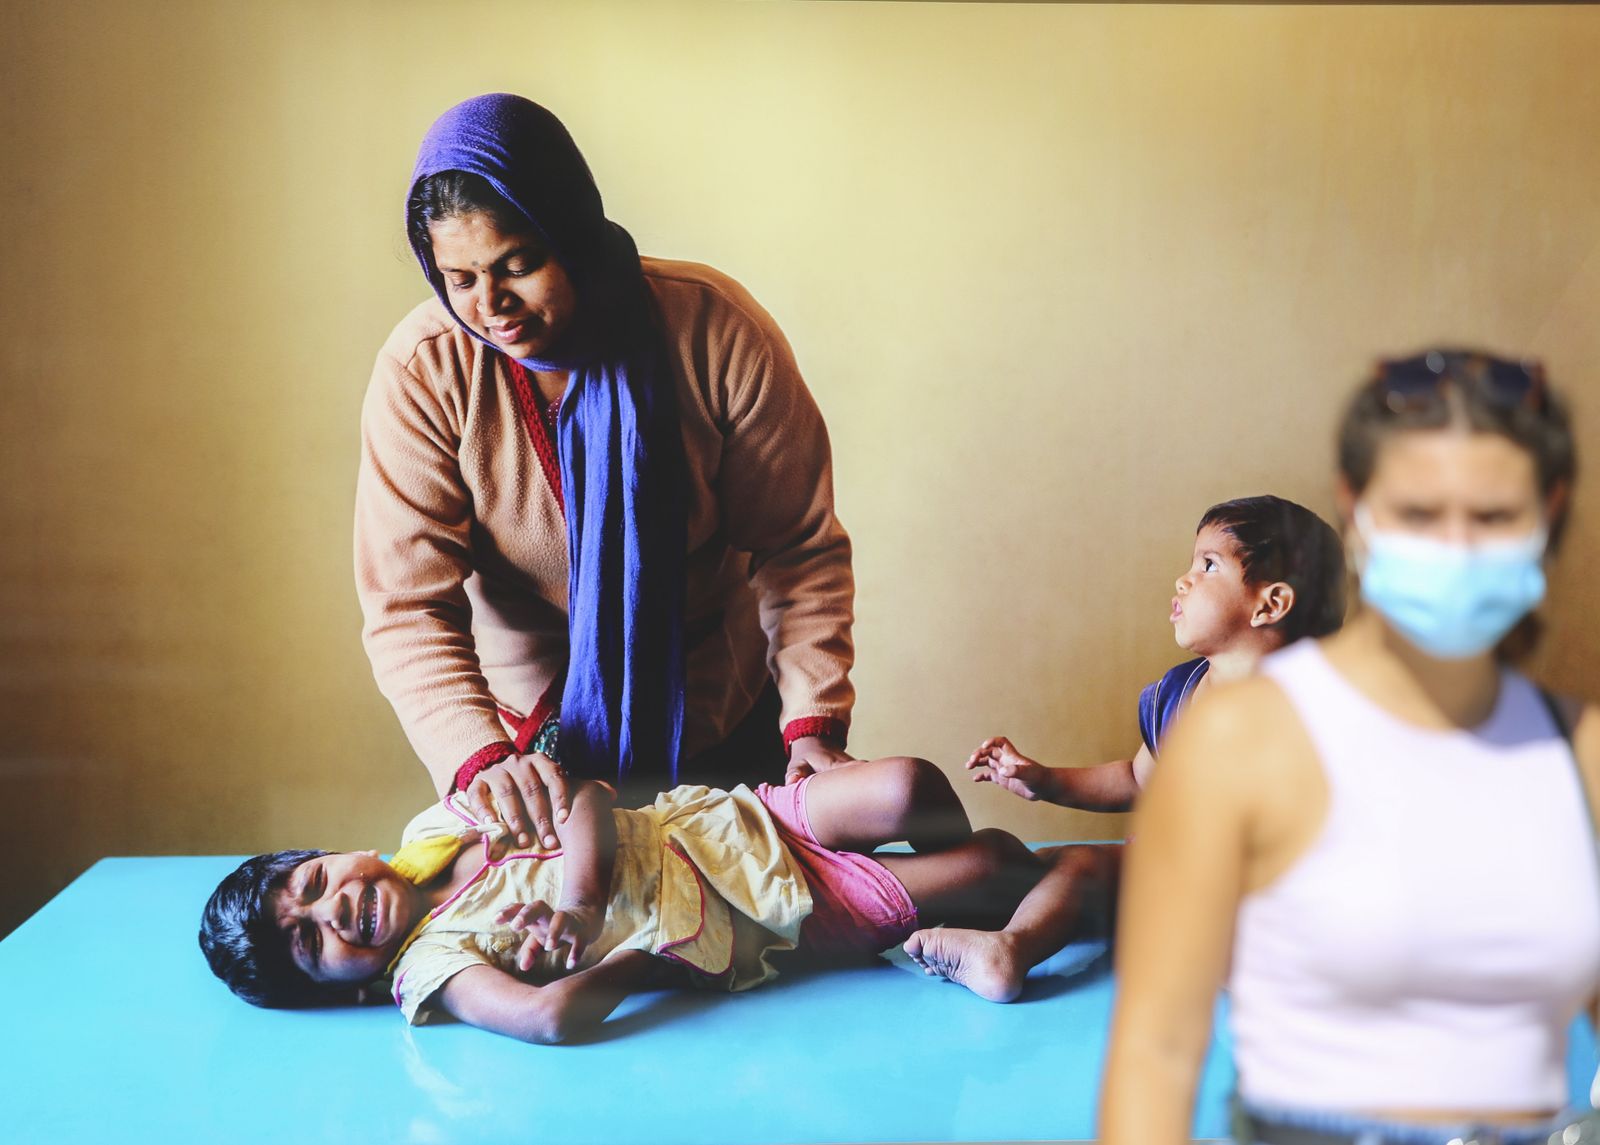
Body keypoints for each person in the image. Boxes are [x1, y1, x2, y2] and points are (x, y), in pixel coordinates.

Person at [1100, 351, 1600, 1144]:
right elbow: (1157, 1048)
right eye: (1420, 513)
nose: (1457, 546)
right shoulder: (1239, 735)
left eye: (1495, 516)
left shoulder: (1572, 753)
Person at [356, 93, 857, 852]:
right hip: (532, 755)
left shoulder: (713, 330)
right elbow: (408, 605)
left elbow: (798, 548)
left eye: (517, 265)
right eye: (459, 279)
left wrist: (813, 721)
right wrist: (481, 758)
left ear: (574, 235)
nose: (491, 306)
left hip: (721, 719)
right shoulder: (426, 371)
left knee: (754, 915)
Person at [199, 757, 1063, 1043]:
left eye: (313, 883)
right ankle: (991, 903)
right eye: (310, 942)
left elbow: (582, 796)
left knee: (910, 784)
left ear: (331, 854)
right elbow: (544, 1017)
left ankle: (971, 903)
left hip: (722, 822)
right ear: (343, 988)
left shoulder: (437, 823)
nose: (333, 909)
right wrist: (640, 958)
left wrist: (579, 902)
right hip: (757, 911)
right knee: (994, 864)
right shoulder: (430, 964)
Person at [903, 496, 1345, 1002]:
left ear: (1270, 604)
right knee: (1062, 865)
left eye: (1208, 565)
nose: (1183, 580)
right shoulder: (1180, 694)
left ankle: (1013, 949)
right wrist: (1044, 780)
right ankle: (995, 936)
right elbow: (1136, 780)